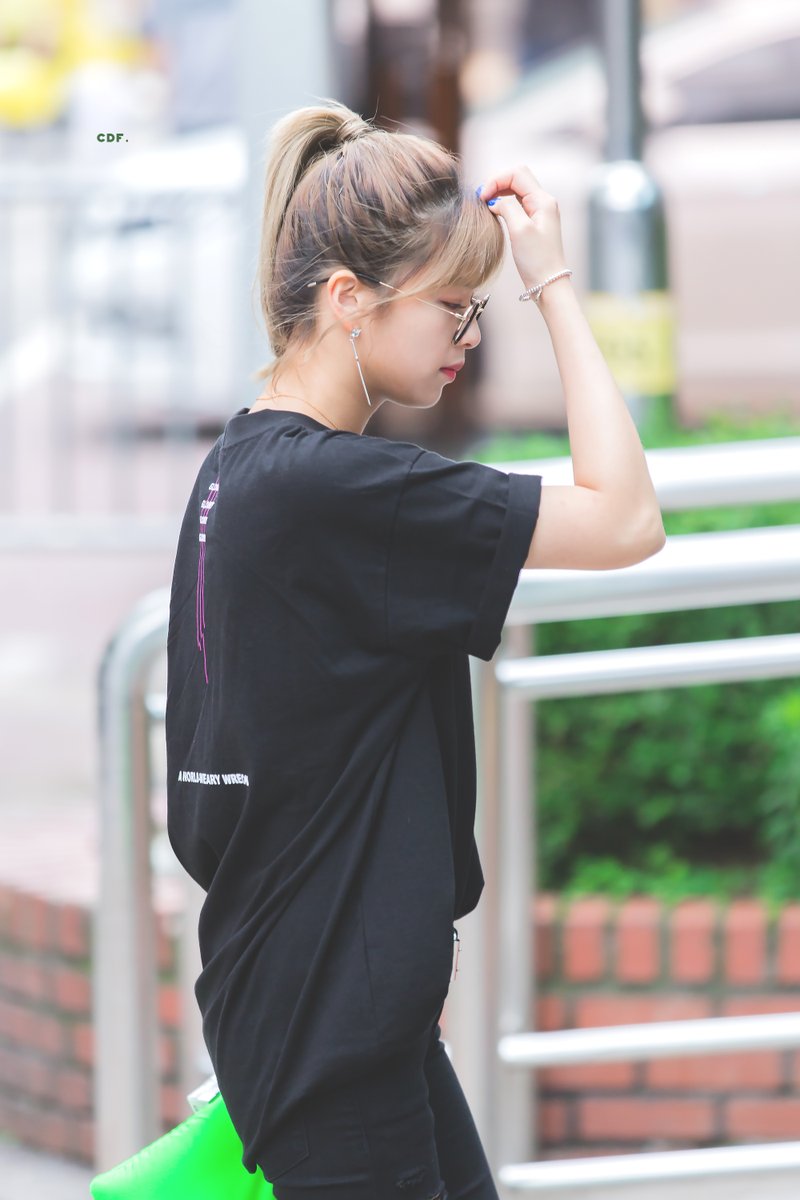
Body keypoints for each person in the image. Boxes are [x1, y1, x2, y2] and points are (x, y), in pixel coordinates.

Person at [164, 98, 666, 1200]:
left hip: (314, 1009)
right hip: (330, 1032)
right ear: (349, 299)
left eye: (477, 308)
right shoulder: (341, 493)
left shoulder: (242, 471)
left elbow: (213, 797)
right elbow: (627, 519)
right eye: (451, 307)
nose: (467, 338)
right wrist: (551, 283)